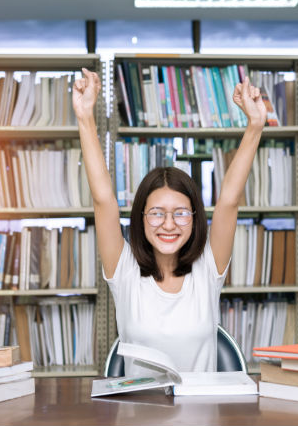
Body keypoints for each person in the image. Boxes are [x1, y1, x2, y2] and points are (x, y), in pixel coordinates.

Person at [72, 68, 266, 376]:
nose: (169, 225)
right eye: (157, 213)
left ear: (194, 218)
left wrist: (255, 125)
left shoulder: (208, 267)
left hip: (201, 415)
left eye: (180, 213)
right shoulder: (123, 269)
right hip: (139, 415)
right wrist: (85, 117)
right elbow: (103, 200)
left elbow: (229, 199)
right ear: (141, 218)